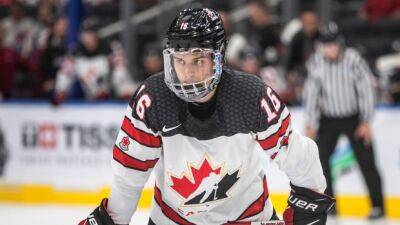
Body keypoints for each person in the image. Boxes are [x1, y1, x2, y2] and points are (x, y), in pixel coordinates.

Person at [78, 8, 334, 225]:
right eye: (180, 60)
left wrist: (306, 212)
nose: (188, 73)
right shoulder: (154, 98)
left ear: (219, 57)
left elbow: (301, 160)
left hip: (246, 218)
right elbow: (128, 181)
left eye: (199, 60)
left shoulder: (250, 96)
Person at [303, 22, 384, 219]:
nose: (329, 49)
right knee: (321, 162)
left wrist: (366, 121)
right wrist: (311, 122)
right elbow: (311, 93)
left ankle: (377, 206)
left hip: (354, 118)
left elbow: (366, 90)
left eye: (332, 44)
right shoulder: (316, 62)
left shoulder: (353, 59)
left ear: (339, 43)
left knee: (367, 161)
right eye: (325, 45)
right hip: (328, 118)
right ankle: (330, 204)